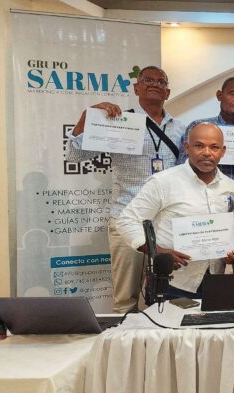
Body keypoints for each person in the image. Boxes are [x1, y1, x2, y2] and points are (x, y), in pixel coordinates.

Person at [65, 66, 186, 313]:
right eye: (148, 80)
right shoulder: (118, 122)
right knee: (126, 299)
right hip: (127, 219)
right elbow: (75, 156)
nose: (155, 84)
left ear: (168, 91)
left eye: (161, 81)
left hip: (165, 224)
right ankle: (125, 349)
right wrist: (86, 119)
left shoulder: (180, 128)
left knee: (164, 297)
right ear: (136, 88)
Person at [116, 123, 234, 298]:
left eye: (214, 147)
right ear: (187, 147)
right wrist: (157, 251)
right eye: (199, 145)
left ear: (223, 151)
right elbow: (126, 221)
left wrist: (231, 252)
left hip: (215, 283)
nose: (207, 152)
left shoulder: (231, 187)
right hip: (173, 284)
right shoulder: (163, 182)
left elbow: (232, 230)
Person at [180, 76, 234, 181]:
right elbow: (183, 168)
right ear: (219, 95)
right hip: (202, 193)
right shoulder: (198, 127)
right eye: (233, 94)